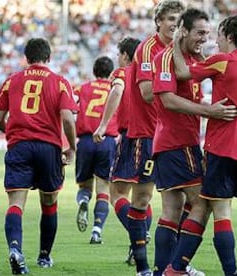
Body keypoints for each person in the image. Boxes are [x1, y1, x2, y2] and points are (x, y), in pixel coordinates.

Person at [170, 14, 237, 276]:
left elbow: (183, 72)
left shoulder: (223, 61)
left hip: (222, 148)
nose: (214, 41)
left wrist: (175, 43)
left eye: (218, 35)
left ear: (229, 36)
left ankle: (231, 273)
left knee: (221, 212)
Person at [95, 1, 185, 275]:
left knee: (126, 196)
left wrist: (102, 125)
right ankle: (153, 266)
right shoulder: (155, 53)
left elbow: (122, 89)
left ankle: (162, 258)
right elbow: (149, 92)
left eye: (178, 20)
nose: (174, 24)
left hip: (153, 136)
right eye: (170, 18)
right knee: (145, 200)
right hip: (154, 134)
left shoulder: (129, 68)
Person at [151, 8, 237, 276]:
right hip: (177, 143)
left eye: (208, 33)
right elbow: (167, 99)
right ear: (184, 31)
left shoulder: (189, 60)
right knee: (204, 202)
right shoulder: (166, 58)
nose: (205, 38)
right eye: (200, 32)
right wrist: (209, 111)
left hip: (174, 143)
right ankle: (177, 267)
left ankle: (163, 270)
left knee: (172, 210)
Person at [0, 37, 77, 274]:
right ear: (48, 58)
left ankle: (16, 250)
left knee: (16, 202)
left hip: (20, 146)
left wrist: (15, 132)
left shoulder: (12, 81)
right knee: (49, 202)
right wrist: (71, 147)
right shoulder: (60, 82)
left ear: (26, 58)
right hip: (48, 148)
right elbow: (68, 118)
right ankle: (44, 256)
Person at [93, 36, 141, 264]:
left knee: (117, 194)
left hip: (131, 137)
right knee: (143, 197)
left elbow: (117, 90)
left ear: (124, 55)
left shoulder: (123, 72)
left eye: (119, 53)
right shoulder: (147, 73)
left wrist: (103, 125)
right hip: (154, 139)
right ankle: (138, 245)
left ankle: (139, 234)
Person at [74, 56, 115, 244]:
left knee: (84, 186)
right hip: (106, 141)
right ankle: (97, 230)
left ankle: (83, 201)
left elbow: (70, 109)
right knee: (104, 188)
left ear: (94, 71)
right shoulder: (116, 90)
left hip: (85, 140)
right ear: (111, 72)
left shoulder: (81, 88)